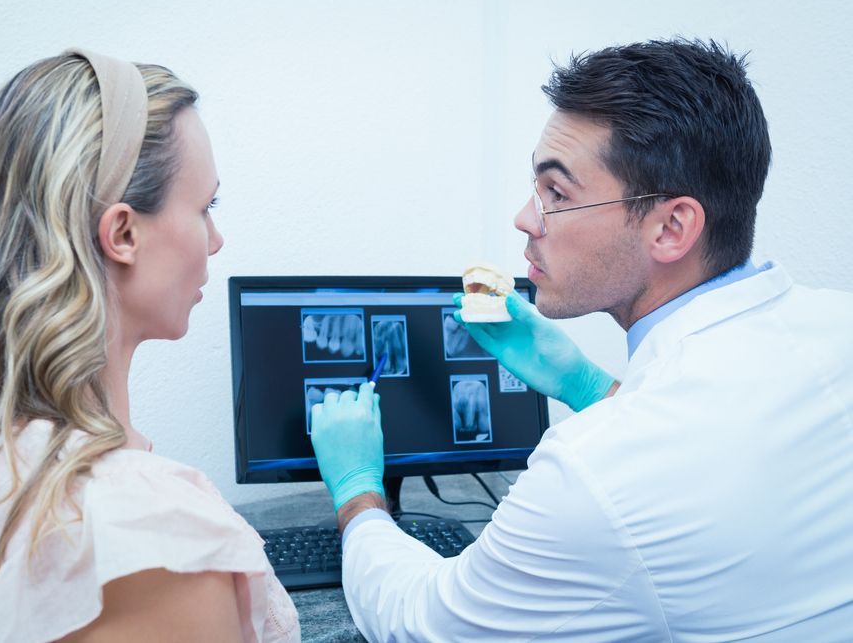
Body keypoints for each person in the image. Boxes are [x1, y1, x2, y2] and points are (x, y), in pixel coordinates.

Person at [311, 39, 853, 640]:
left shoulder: (593, 475)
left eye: (557, 194)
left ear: (671, 227)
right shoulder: (837, 325)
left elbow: (422, 623)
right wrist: (590, 385)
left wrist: (357, 492)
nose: (524, 217)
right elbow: (717, 451)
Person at [0, 49, 299, 642]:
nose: (215, 240)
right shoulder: (149, 537)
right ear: (123, 233)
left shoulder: (3, 447)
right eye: (204, 207)